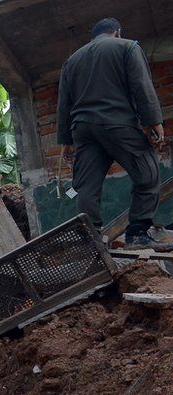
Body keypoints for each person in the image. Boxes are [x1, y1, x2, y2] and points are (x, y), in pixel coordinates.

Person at [58, 17, 169, 250]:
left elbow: (64, 104)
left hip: (83, 130)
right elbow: (141, 85)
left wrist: (66, 142)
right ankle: (138, 234)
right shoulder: (128, 46)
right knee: (148, 174)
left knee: (87, 187)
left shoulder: (72, 60)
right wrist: (154, 122)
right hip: (116, 122)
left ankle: (91, 242)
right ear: (117, 32)